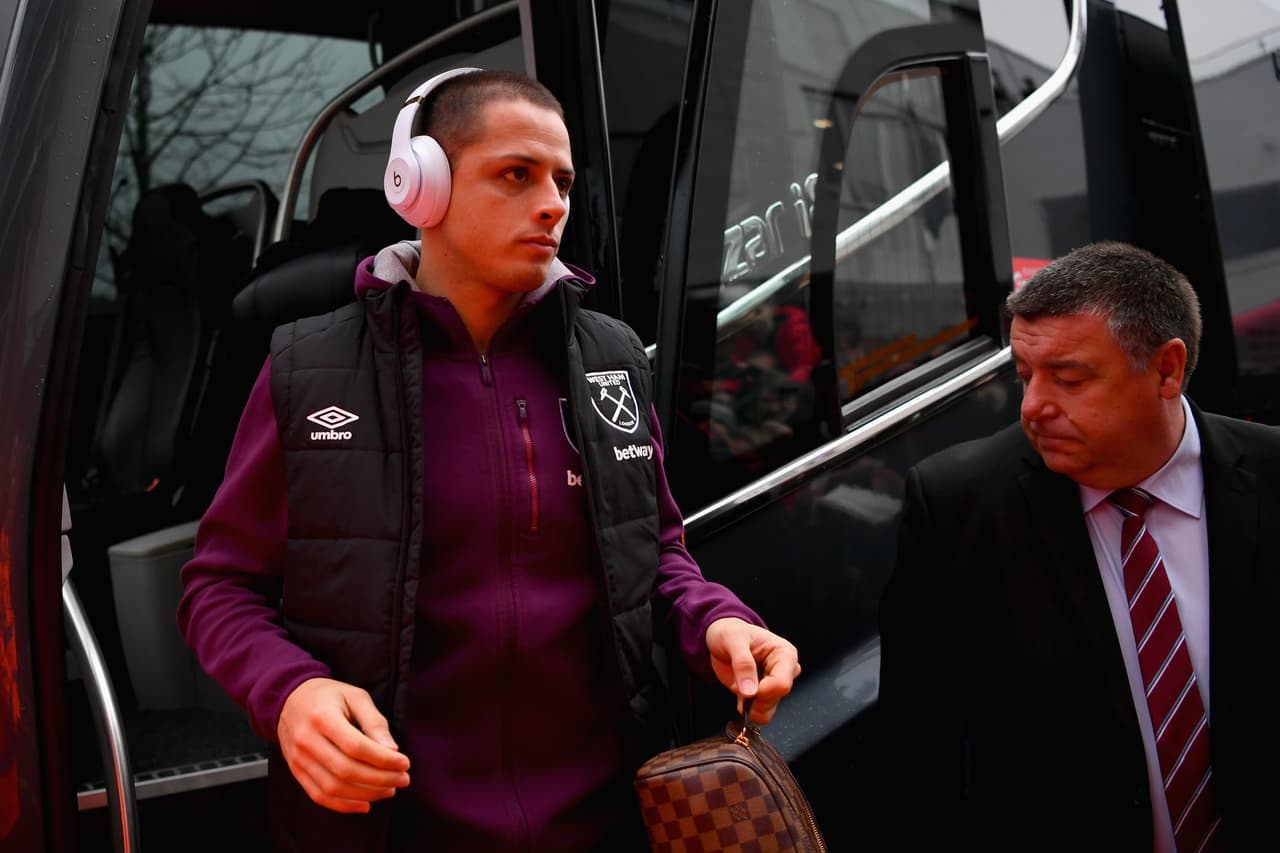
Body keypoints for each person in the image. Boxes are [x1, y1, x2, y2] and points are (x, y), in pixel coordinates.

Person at [178, 68, 800, 852]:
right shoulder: (309, 369)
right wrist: (289, 691)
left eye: (562, 181)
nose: (552, 203)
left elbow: (655, 555)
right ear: (420, 186)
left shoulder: (610, 358)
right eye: (516, 174)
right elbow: (219, 587)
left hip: (609, 821)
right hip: (390, 828)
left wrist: (717, 620)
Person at [876, 241, 1279, 851]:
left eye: (1069, 379)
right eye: (1024, 375)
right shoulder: (959, 507)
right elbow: (917, 751)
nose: (1034, 406)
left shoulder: (1271, 477)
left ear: (1167, 370)